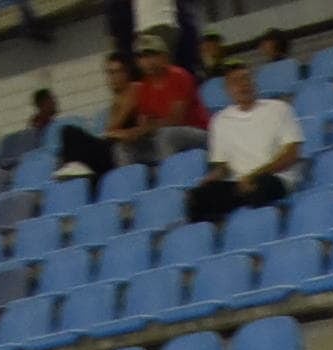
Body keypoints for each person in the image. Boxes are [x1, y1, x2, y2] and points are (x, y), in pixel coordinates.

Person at [186, 59, 300, 223]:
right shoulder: (220, 120)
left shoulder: (279, 109)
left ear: (253, 81)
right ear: (227, 89)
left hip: (274, 178)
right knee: (198, 197)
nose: (243, 85)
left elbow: (291, 154)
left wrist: (254, 176)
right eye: (235, 82)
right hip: (239, 184)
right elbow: (222, 166)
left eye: (246, 78)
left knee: (260, 187)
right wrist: (211, 178)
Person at [121, 29, 209, 161]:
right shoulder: (143, 88)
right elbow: (144, 123)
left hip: (198, 132)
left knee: (166, 134)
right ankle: (139, 179)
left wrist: (149, 127)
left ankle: (174, 177)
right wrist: (134, 133)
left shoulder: (179, 76)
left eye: (152, 55)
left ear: (164, 57)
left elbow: (177, 120)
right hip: (163, 137)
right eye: (141, 57)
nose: (147, 61)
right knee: (123, 148)